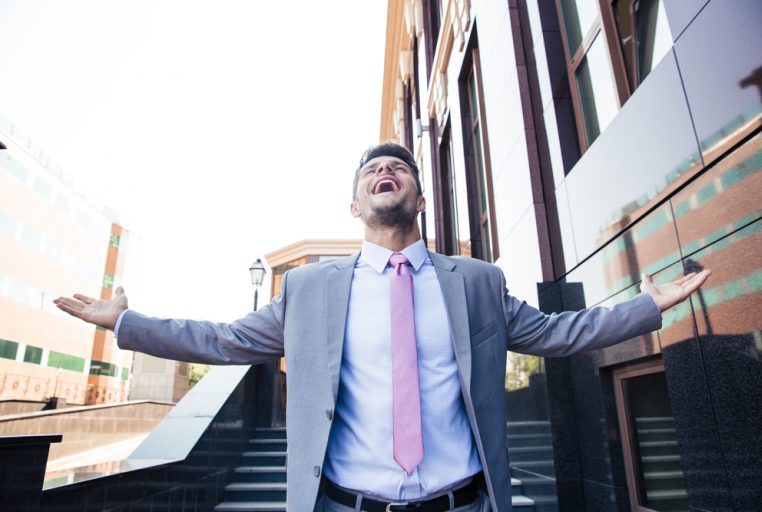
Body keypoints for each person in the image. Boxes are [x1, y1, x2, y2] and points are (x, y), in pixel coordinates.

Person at [55, 142, 710, 512]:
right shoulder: (310, 290)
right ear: (354, 205)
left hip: (464, 505)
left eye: (398, 168)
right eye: (371, 170)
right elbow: (222, 340)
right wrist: (128, 323)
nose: (384, 172)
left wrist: (648, 306)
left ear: (420, 198)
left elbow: (559, 335)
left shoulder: (476, 282)